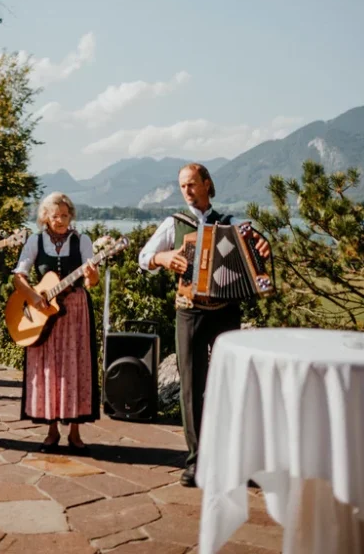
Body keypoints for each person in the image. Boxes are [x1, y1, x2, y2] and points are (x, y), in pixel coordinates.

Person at [139, 163, 270, 487]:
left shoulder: (231, 224)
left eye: (192, 184)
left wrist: (264, 247)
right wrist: (163, 258)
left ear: (207, 184)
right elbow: (145, 257)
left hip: (226, 311)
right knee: (192, 387)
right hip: (190, 311)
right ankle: (198, 460)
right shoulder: (175, 224)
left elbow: (258, 253)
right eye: (182, 186)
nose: (186, 191)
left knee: (229, 384)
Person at [13, 192, 100, 452]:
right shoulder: (35, 241)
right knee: (48, 368)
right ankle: (51, 431)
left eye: (64, 215)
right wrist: (33, 297)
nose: (60, 220)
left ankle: (74, 432)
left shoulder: (82, 240)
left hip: (75, 312)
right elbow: (19, 275)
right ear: (45, 218)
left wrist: (92, 275)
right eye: (55, 216)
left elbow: (90, 282)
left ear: (70, 216)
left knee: (76, 367)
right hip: (43, 314)